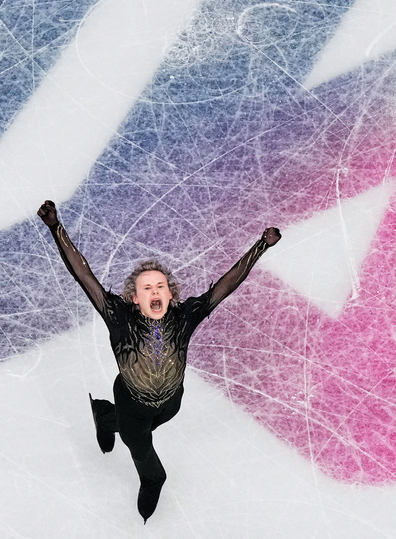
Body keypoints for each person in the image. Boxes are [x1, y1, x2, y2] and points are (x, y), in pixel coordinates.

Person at [37, 200, 281, 522]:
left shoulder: (185, 317)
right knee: (142, 449)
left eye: (161, 286)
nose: (155, 290)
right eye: (146, 287)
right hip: (132, 402)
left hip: (170, 402)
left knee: (136, 427)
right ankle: (148, 475)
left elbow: (225, 285)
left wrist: (261, 245)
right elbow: (83, 274)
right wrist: (56, 227)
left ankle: (104, 417)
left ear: (170, 295)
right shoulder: (118, 317)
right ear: (134, 298)